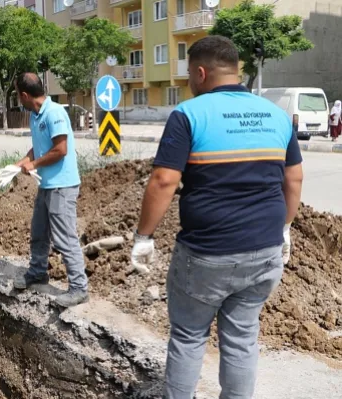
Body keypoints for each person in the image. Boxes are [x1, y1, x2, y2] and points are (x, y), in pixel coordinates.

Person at [129, 35, 303, 398]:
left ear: (201, 72)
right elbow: (294, 178)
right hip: (265, 251)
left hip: (207, 255)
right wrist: (285, 227)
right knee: (241, 338)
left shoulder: (189, 115)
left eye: (190, 75)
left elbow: (163, 181)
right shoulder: (277, 115)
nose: (190, 83)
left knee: (189, 337)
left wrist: (144, 237)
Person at [12, 72, 88, 308]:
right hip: (47, 185)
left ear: (25, 95)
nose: (18, 100)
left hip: (62, 186)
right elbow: (39, 146)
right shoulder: (36, 115)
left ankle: (79, 287)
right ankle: (37, 273)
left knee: (65, 238)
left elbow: (60, 149)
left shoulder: (54, 113)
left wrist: (33, 165)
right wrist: (20, 162)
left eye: (17, 95)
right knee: (39, 231)